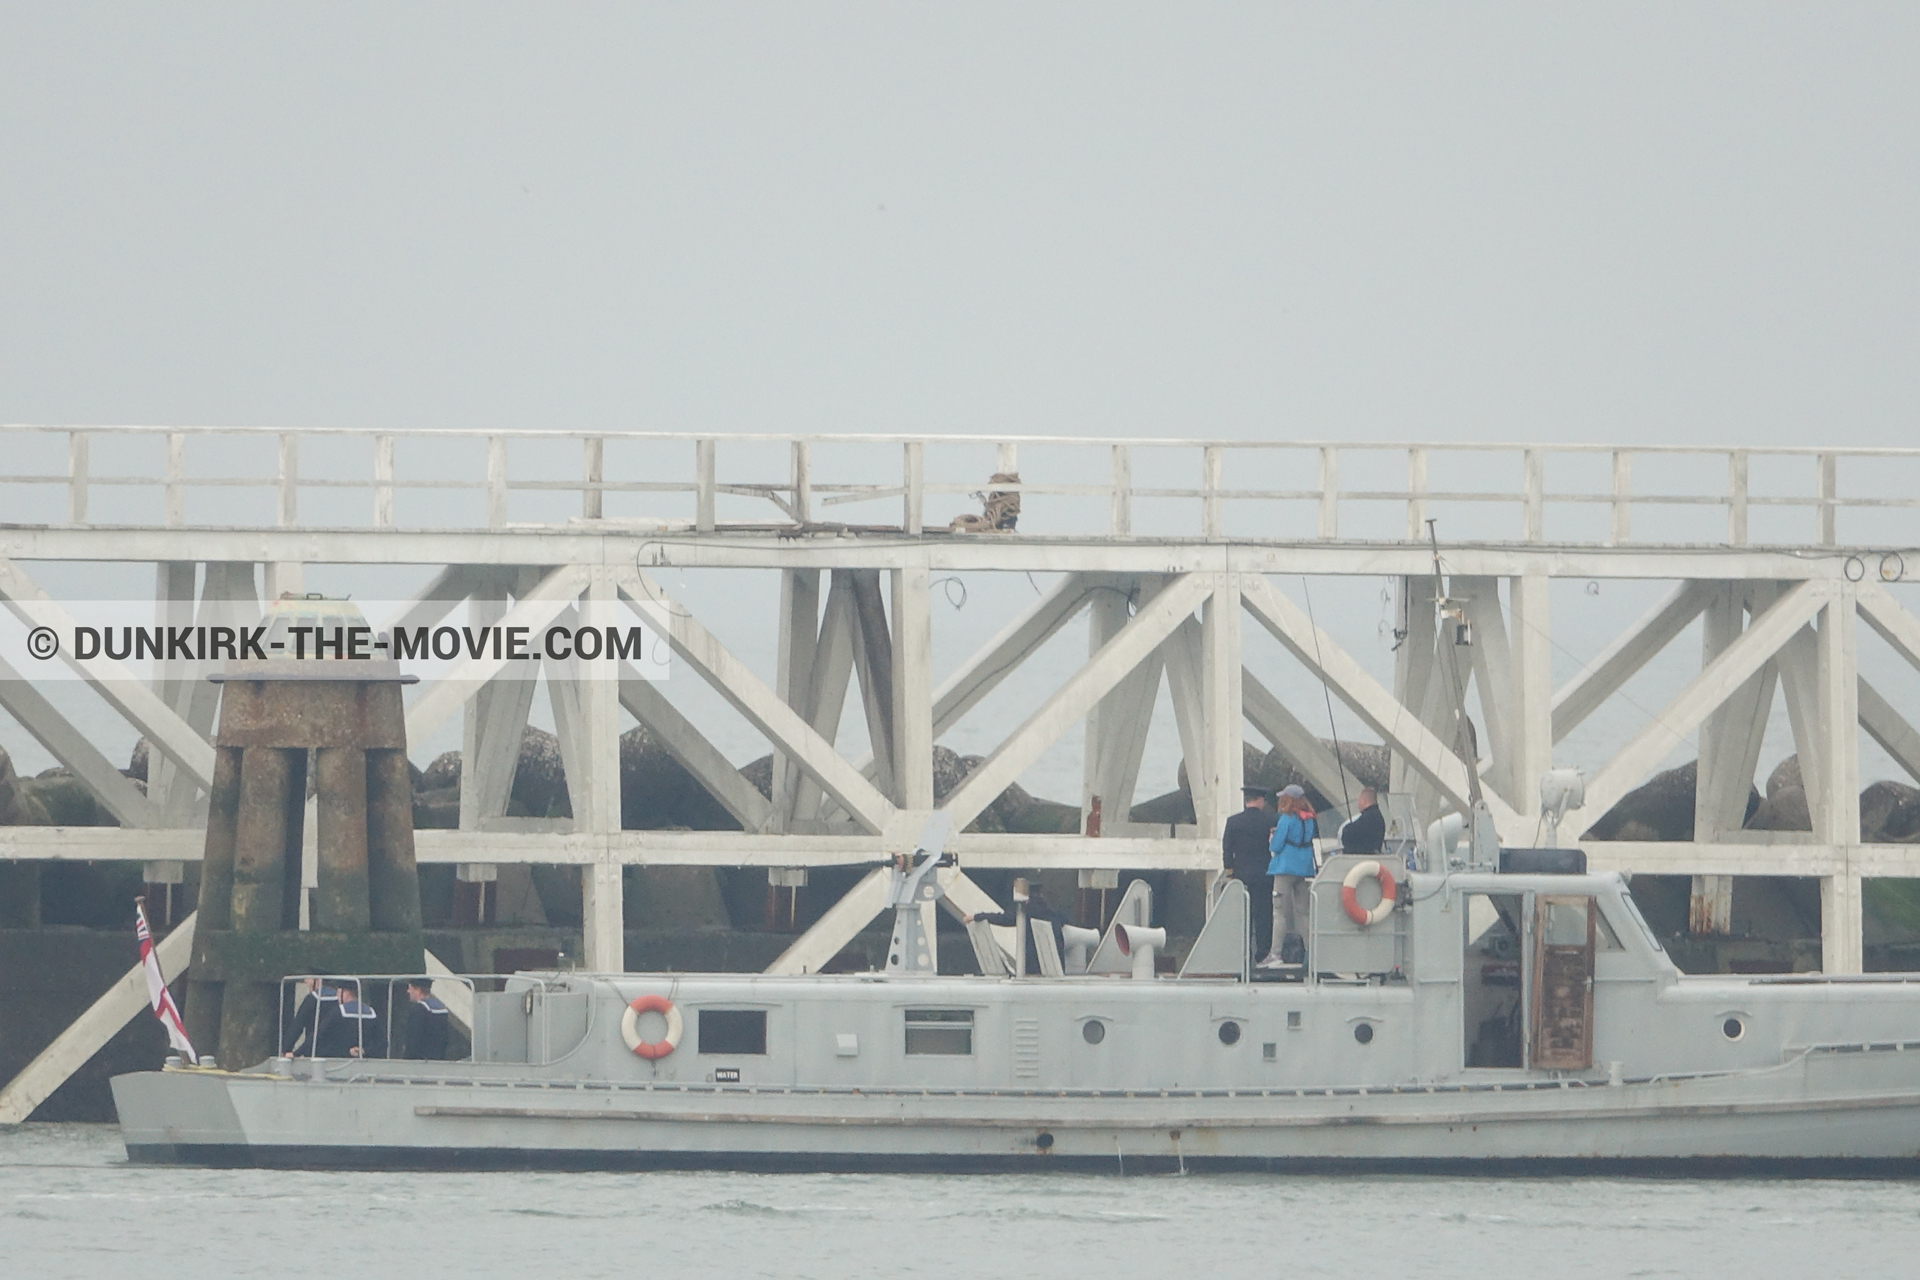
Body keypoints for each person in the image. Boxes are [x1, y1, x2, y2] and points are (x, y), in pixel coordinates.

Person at [1262, 788, 1319, 967]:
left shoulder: (1286, 819)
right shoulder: (1309, 820)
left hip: (1285, 868)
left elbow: (1276, 846)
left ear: (1288, 800)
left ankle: (1275, 954)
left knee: (1279, 912)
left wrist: (1273, 836)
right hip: (1304, 870)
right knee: (1304, 913)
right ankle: (1312, 953)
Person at [1221, 784, 1278, 959]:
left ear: (1246, 801)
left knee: (1243, 914)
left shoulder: (1233, 821)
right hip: (1264, 873)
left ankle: (1243, 951)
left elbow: (1227, 849)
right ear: (1260, 800)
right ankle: (1263, 951)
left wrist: (1230, 872)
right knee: (1264, 913)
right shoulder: (1271, 819)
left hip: (1241, 874)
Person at [965, 885, 1066, 975]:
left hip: (1032, 964)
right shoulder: (1052, 913)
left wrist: (978, 916)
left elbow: (1004, 919)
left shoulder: (1026, 911)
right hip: (1053, 965)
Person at [281, 976, 340, 1058]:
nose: (305, 981)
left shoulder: (312, 999)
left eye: (308, 978)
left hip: (314, 1052)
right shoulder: (340, 1000)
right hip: (337, 1053)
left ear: (318, 980)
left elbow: (298, 1025)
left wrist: (286, 1049)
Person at [329, 981, 385, 1058]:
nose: (337, 996)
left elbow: (324, 1038)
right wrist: (365, 1050)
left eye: (338, 992)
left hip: (341, 1061)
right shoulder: (371, 1012)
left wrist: (345, 1051)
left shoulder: (337, 1012)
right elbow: (381, 1042)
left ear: (346, 993)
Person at [401, 977, 453, 1061]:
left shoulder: (419, 1009)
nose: (408, 991)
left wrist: (407, 1058)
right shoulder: (441, 1009)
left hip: (419, 1061)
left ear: (418, 990)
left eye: (410, 988)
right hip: (438, 1059)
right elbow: (445, 1039)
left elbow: (413, 1038)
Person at [1338, 786, 1386, 855]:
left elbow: (1349, 833)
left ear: (1364, 801)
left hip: (1363, 858)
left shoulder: (1370, 817)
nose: (1358, 804)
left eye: (1359, 801)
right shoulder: (1376, 816)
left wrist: (1347, 830)